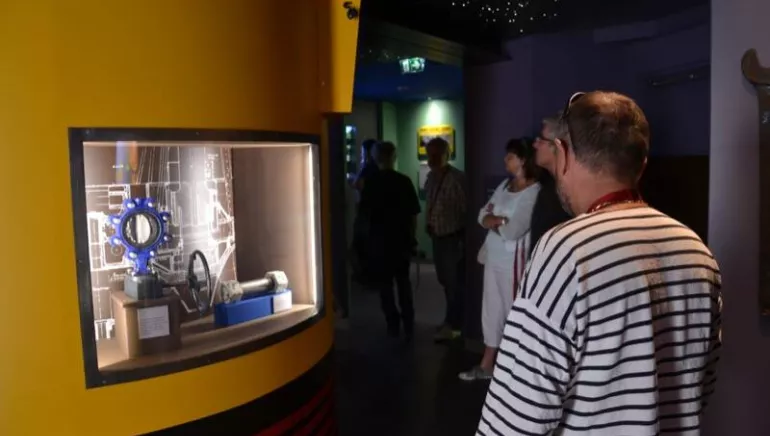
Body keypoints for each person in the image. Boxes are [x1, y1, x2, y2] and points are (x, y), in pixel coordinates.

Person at [477, 91, 722, 435]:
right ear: (641, 164)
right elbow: (700, 386)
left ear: (563, 153)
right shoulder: (697, 250)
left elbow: (514, 416)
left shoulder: (565, 251)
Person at [459, 138, 540, 382]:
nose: (505, 160)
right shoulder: (505, 185)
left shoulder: (534, 191)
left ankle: (517, 369)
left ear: (523, 160)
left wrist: (495, 221)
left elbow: (513, 230)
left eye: (510, 156)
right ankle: (488, 364)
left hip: (513, 263)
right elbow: (482, 214)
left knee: (512, 313)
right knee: (491, 311)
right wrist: (497, 220)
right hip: (494, 258)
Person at [359, 141, 420, 340]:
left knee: (385, 286)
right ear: (394, 157)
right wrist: (412, 237)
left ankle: (392, 323)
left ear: (375, 158)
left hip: (379, 242)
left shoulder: (371, 183)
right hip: (401, 240)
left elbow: (365, 215)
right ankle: (408, 322)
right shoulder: (404, 181)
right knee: (403, 283)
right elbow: (413, 214)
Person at [423, 137, 467, 342]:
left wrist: (463, 239)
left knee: (453, 283)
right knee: (445, 281)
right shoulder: (431, 177)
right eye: (429, 154)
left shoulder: (457, 179)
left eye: (436, 154)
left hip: (452, 238)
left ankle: (455, 325)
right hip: (438, 237)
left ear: (446, 155)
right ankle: (450, 320)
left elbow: (466, 209)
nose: (431, 159)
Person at [531, 118, 572, 256]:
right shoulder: (547, 188)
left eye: (541, 139)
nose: (535, 144)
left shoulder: (569, 194)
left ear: (559, 146)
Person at [351, 138, 380, 285]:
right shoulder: (379, 168)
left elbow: (358, 184)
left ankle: (366, 277)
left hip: (366, 212)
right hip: (375, 212)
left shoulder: (367, 167)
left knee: (360, 245)